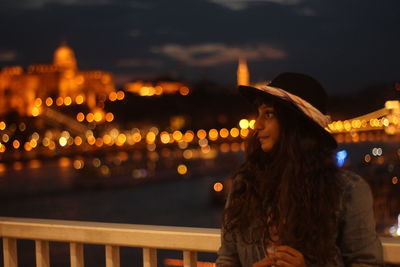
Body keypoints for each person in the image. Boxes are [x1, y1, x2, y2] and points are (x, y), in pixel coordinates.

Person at [216, 72, 384, 267]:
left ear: (296, 125)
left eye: (268, 114)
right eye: (258, 114)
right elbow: (227, 260)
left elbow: (366, 263)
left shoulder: (349, 190)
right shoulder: (243, 185)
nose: (257, 124)